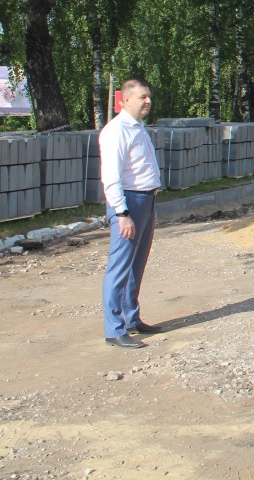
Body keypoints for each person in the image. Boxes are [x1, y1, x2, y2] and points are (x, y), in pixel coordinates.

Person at [98, 79, 162, 348]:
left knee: (137, 264)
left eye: (148, 97)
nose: (147, 101)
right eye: (142, 97)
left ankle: (132, 318)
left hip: (146, 200)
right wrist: (122, 213)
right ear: (125, 100)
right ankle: (114, 329)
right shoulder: (117, 131)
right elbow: (111, 177)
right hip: (129, 202)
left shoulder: (138, 127)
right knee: (120, 266)